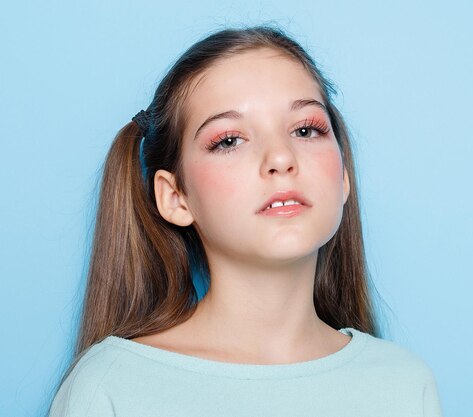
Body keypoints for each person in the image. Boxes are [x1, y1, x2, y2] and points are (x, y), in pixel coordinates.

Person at [47, 25, 444, 416]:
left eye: (306, 130)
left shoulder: (403, 385)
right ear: (175, 197)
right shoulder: (111, 387)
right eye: (230, 140)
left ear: (342, 177)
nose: (281, 159)